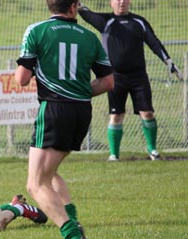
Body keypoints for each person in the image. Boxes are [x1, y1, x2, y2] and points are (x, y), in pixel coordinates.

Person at [15, 0, 114, 239]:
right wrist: (78, 91)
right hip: (81, 111)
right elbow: (107, 82)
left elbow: (22, 79)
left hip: (54, 109)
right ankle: (74, 223)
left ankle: (73, 236)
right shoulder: (90, 37)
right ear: (73, 7)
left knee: (35, 184)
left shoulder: (36, 31)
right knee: (51, 173)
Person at [78, 0, 183, 161]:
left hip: (138, 76)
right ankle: (114, 155)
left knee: (147, 113)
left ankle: (153, 151)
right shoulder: (105, 21)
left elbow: (154, 42)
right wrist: (77, 4)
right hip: (115, 77)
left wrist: (168, 61)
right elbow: (85, 13)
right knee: (116, 115)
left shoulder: (139, 22)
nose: (122, 2)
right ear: (111, 3)